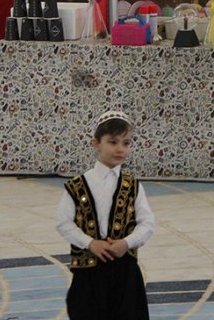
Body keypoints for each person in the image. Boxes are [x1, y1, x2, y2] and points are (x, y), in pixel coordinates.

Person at [55, 111, 155, 320]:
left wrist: (126, 243)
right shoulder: (77, 185)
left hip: (125, 271)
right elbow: (63, 222)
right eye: (113, 142)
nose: (120, 149)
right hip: (88, 273)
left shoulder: (133, 186)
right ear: (96, 143)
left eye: (126, 143)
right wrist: (90, 243)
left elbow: (147, 223)